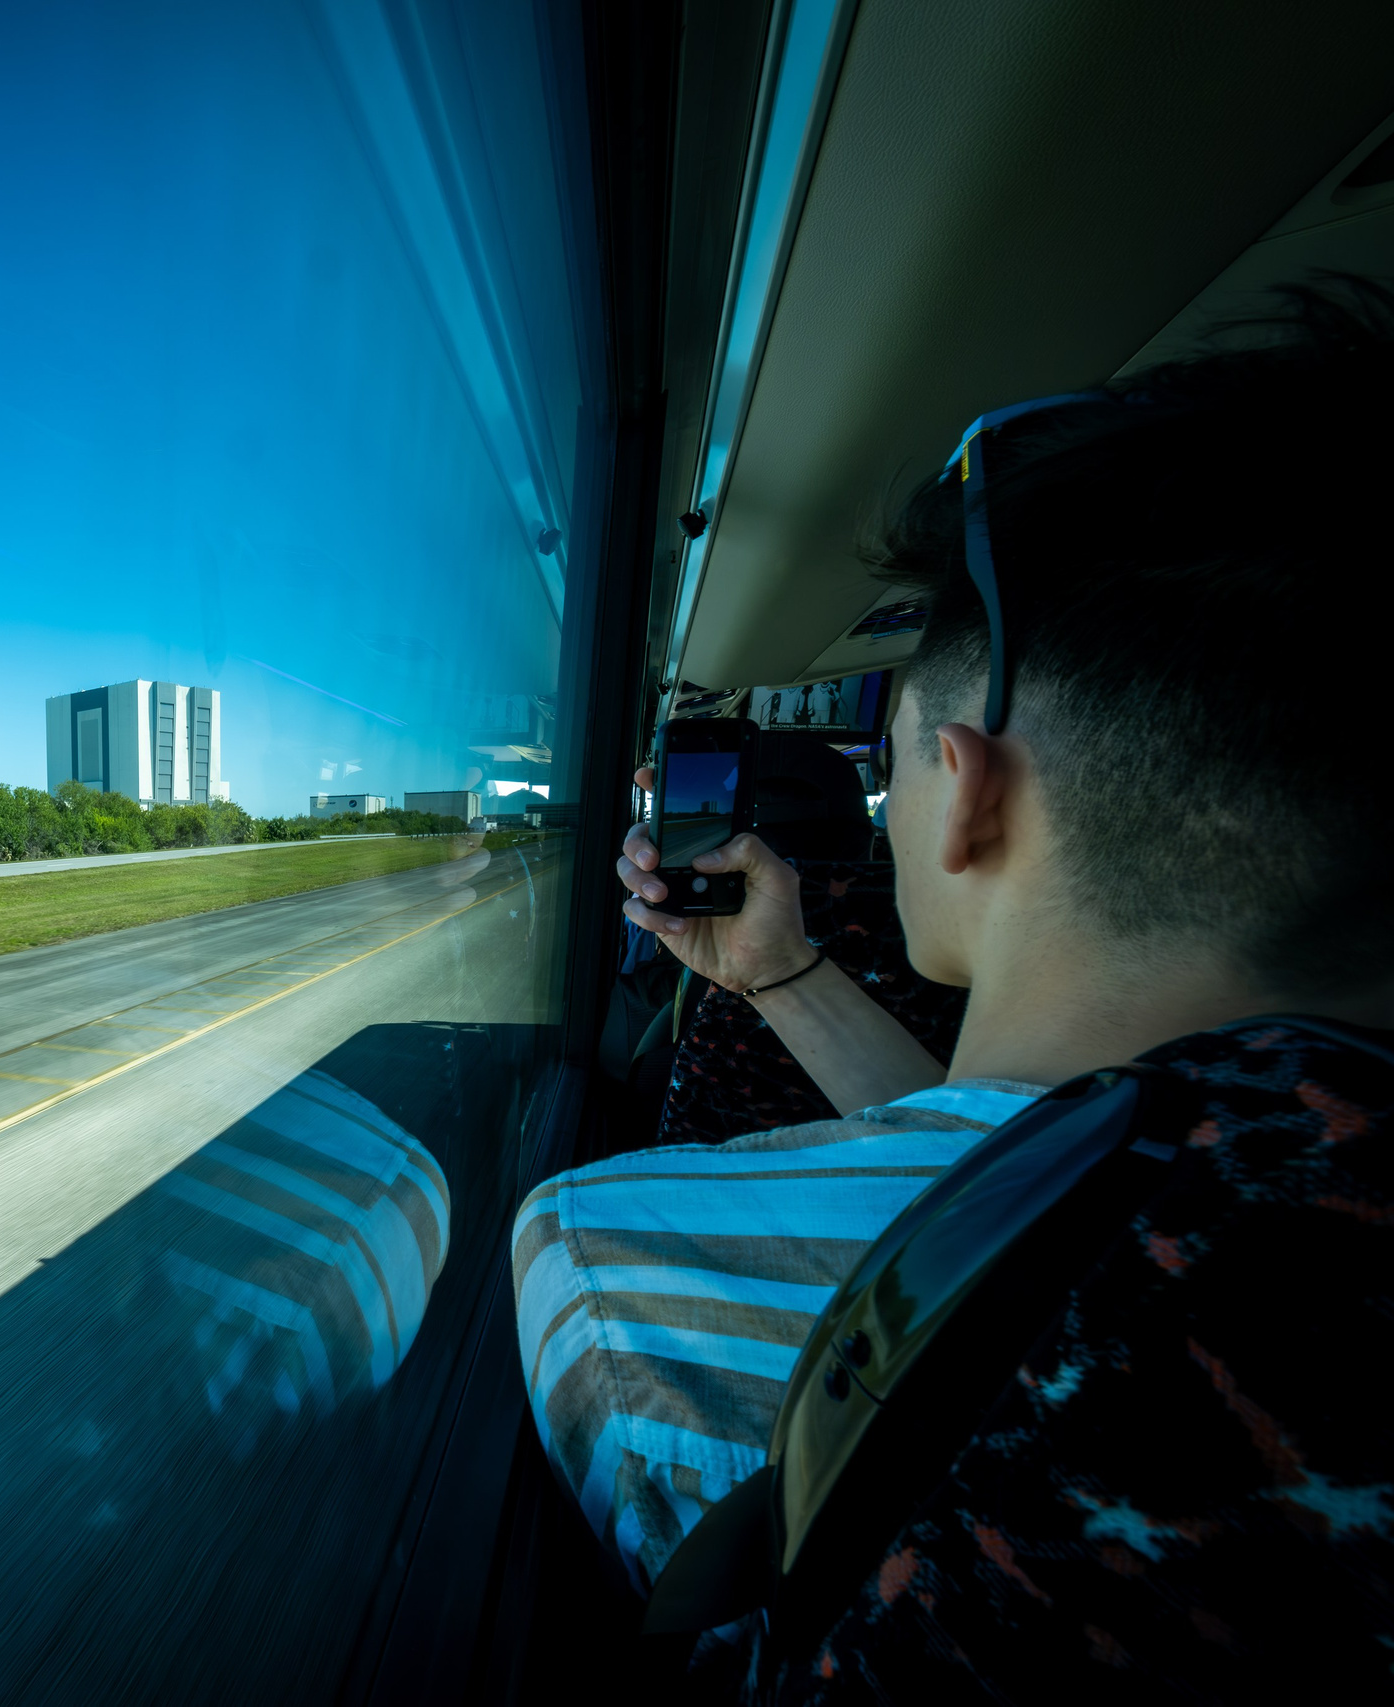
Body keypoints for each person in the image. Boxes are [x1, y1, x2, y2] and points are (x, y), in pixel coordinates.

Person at [512, 281, 1394, 1605]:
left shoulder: (611, 1255)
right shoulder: (1286, 1188)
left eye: (896, 763)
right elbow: (1019, 1155)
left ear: (971, 793)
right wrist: (784, 976)